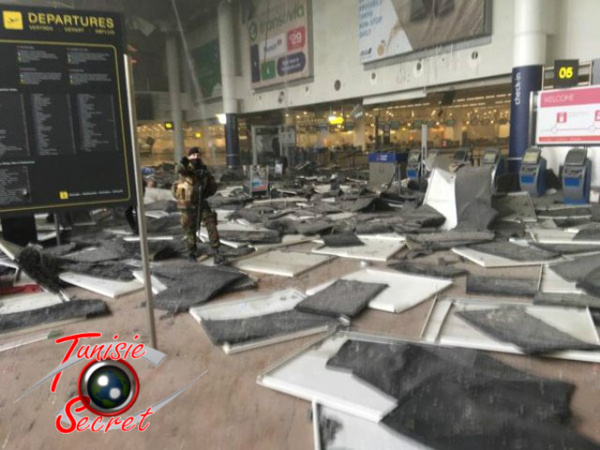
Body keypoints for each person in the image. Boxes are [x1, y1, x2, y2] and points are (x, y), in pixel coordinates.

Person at [172, 147, 225, 264]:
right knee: (189, 230)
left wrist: (206, 184)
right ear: (189, 156)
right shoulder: (186, 168)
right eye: (193, 155)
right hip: (187, 205)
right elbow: (179, 170)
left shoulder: (204, 170)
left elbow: (213, 187)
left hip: (201, 202)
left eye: (197, 155)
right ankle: (191, 254)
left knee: (211, 224)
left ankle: (216, 251)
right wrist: (183, 163)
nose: (195, 157)